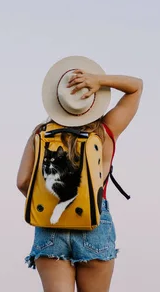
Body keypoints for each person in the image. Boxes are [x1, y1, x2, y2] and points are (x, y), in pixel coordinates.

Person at [16, 55, 143, 292]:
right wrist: (99, 80)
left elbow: (23, 182)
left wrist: (54, 202)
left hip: (50, 223)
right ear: (93, 102)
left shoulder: (40, 134)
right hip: (94, 223)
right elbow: (136, 87)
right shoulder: (105, 132)